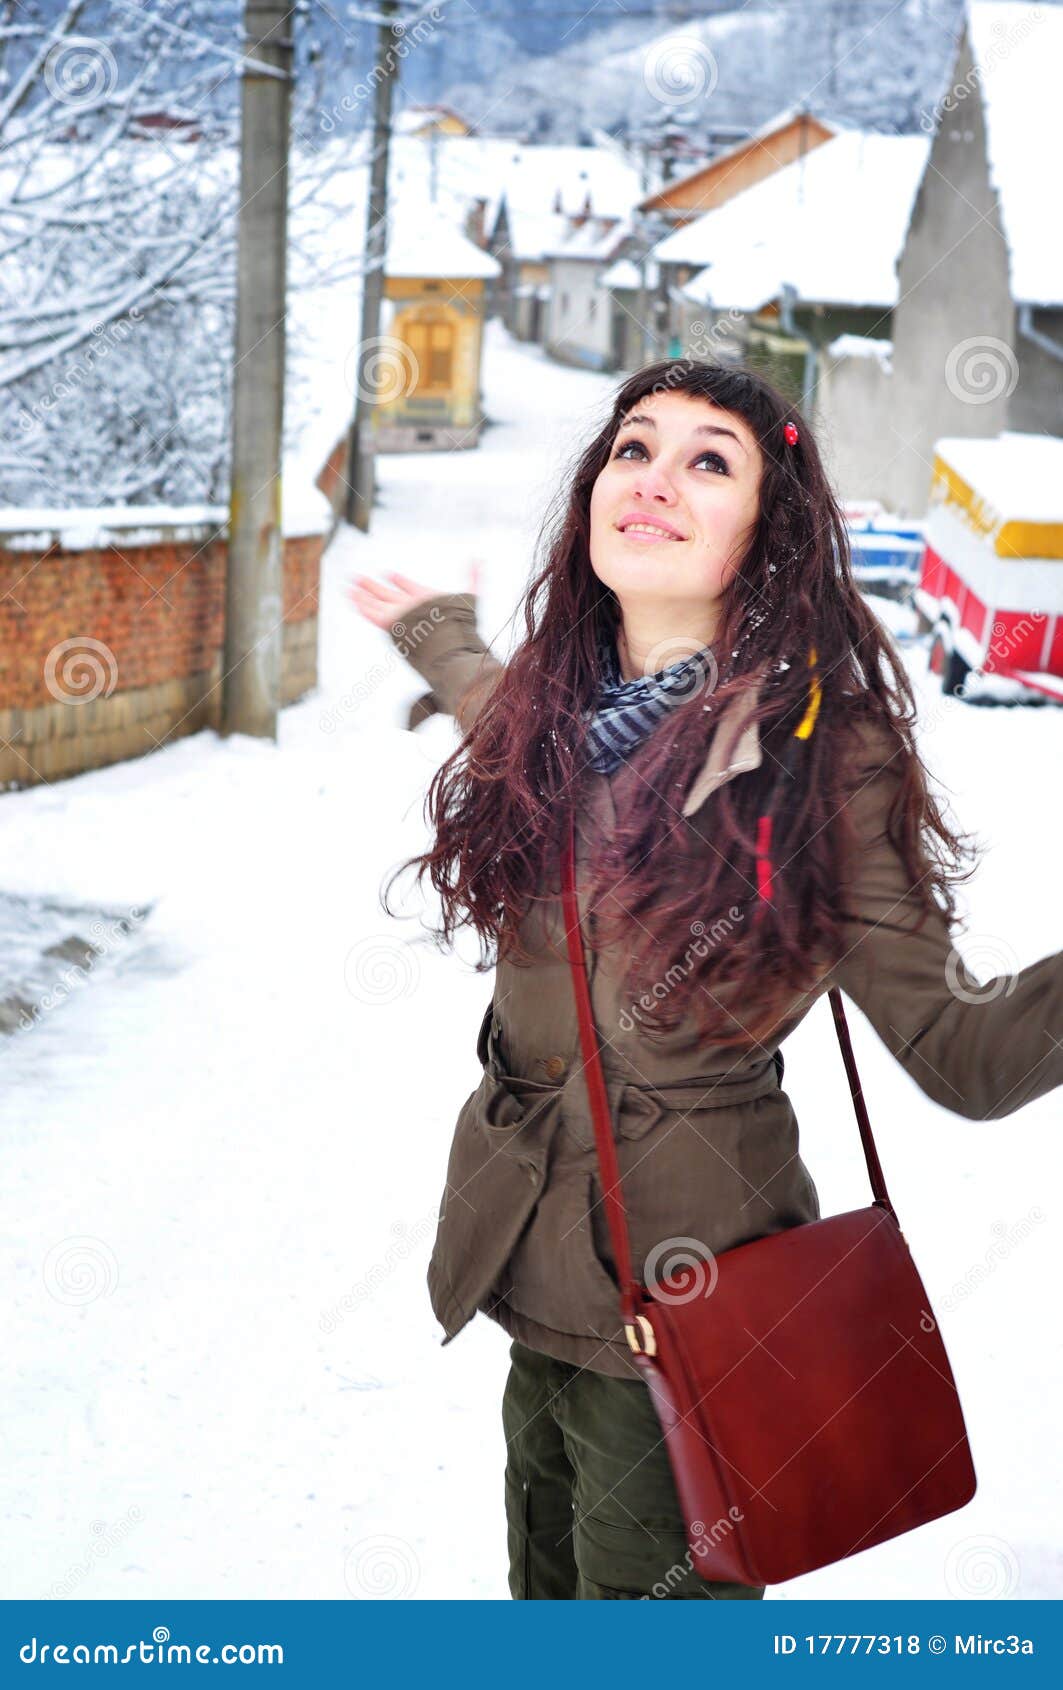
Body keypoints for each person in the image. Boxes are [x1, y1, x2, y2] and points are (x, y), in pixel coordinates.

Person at [350, 359, 1063, 1600]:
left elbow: (967, 1051)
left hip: (689, 1320)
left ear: (765, 532)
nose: (655, 478)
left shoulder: (820, 755)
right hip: (533, 1290)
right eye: (634, 448)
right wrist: (441, 637)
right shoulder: (557, 708)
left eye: (708, 460)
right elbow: (500, 716)